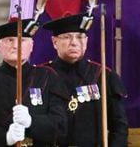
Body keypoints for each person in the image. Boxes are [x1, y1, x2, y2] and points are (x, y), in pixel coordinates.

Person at [0, 19, 67, 146]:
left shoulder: (48, 77)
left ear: (32, 46)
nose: (16, 46)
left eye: (22, 40)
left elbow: (61, 126)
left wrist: (32, 122)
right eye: (9, 40)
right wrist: (5, 138)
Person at [40, 13, 129, 146]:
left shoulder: (103, 76)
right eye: (67, 37)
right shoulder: (41, 76)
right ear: (54, 42)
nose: (74, 42)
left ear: (86, 41)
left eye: (80, 37)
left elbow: (119, 127)